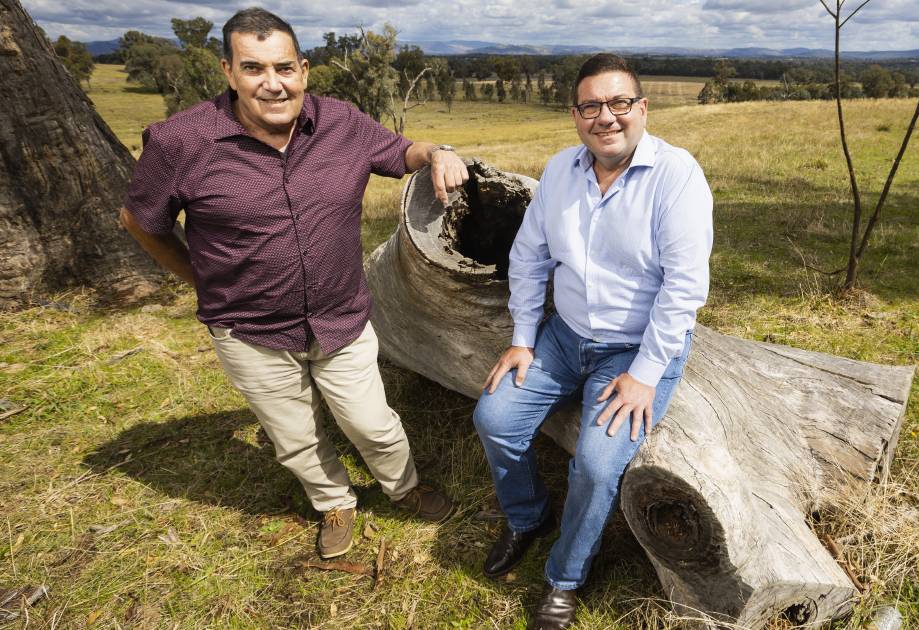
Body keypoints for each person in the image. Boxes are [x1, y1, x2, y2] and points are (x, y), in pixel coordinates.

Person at [119, 7, 465, 560]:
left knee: (372, 424)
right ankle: (333, 501)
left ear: (303, 69)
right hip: (248, 331)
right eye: (254, 68)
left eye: (284, 68)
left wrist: (438, 153)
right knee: (296, 437)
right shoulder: (181, 141)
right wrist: (199, 279)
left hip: (342, 318)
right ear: (228, 72)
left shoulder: (343, 124)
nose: (272, 84)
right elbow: (140, 221)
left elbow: (401, 152)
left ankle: (404, 488)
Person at [472, 53, 713, 629]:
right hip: (565, 336)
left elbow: (683, 289)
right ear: (576, 114)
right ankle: (527, 516)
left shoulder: (677, 177)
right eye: (591, 106)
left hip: (635, 349)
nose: (605, 117)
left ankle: (565, 576)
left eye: (618, 103)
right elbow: (528, 256)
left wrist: (648, 372)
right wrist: (524, 338)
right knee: (495, 418)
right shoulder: (559, 172)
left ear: (641, 108)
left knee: (600, 465)